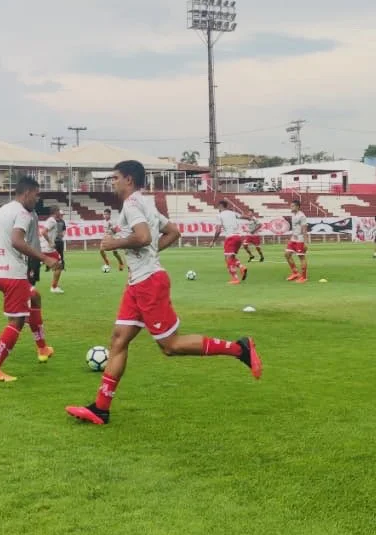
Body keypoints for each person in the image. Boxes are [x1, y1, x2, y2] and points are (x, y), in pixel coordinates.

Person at [66, 160, 262, 426]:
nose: (111, 182)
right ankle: (101, 409)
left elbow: (144, 237)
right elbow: (173, 232)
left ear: (129, 180)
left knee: (170, 346)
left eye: (115, 177)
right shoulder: (144, 203)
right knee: (118, 340)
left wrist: (116, 243)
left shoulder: (133, 204)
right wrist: (147, 256)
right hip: (137, 282)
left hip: (148, 283)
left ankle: (239, 349)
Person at [0, 176, 59, 383]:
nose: (37, 200)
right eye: (36, 195)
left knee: (35, 297)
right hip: (13, 274)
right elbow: (16, 241)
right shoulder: (23, 213)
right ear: (27, 193)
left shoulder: (3, 210)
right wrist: (45, 258)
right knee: (17, 320)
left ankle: (42, 348)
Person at [212, 199, 247, 284]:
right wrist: (250, 217)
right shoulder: (233, 213)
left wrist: (213, 241)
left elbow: (218, 230)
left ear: (220, 206)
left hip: (230, 238)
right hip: (239, 237)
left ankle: (235, 279)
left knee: (227, 258)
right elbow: (244, 217)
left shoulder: (219, 216)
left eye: (218, 206)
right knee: (232, 257)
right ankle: (242, 267)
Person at [41, 206, 67, 293]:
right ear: (55, 212)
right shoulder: (52, 221)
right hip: (48, 248)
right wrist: (50, 242)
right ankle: (54, 287)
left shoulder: (51, 220)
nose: (60, 212)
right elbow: (43, 232)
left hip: (45, 248)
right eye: (59, 211)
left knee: (34, 266)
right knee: (59, 266)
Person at [285, 199, 310, 282]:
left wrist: (306, 243)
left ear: (297, 207)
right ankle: (295, 273)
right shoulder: (293, 215)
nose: (291, 207)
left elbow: (304, 229)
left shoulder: (302, 216)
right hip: (293, 238)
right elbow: (295, 228)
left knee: (301, 257)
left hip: (300, 239)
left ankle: (304, 277)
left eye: (292, 206)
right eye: (291, 206)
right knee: (287, 254)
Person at [100, 207, 126, 272]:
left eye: (107, 214)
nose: (105, 215)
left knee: (115, 253)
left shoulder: (113, 222)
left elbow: (115, 231)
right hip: (106, 237)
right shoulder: (104, 221)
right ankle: (107, 262)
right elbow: (105, 230)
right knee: (101, 250)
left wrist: (111, 227)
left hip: (113, 237)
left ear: (110, 215)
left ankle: (121, 263)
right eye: (104, 214)